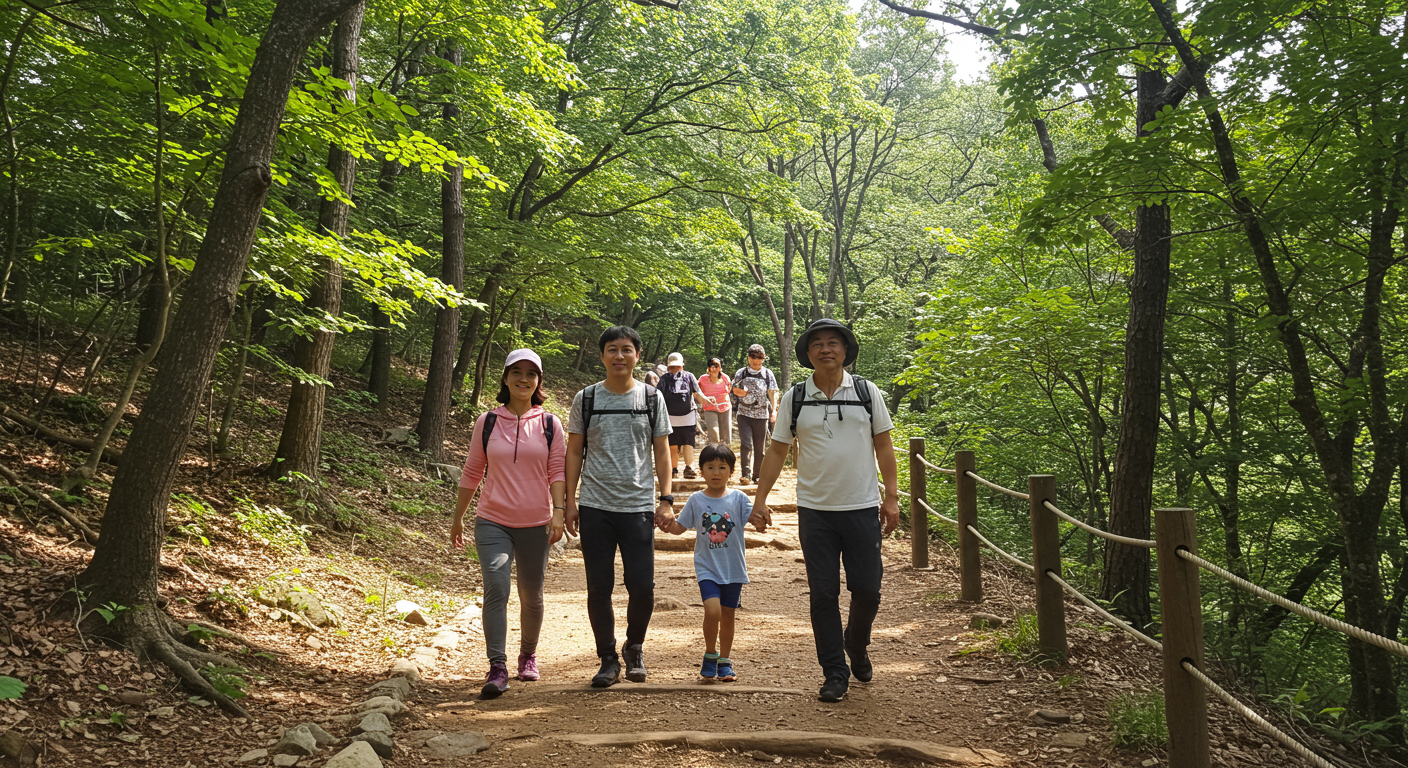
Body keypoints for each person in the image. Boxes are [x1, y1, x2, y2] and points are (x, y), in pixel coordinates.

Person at [750, 319, 899, 703]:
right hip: (815, 511)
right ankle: (834, 672)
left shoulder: (866, 392)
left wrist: (892, 497)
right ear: (808, 353)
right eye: (817, 343)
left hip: (862, 507)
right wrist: (760, 500)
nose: (826, 349)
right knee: (823, 594)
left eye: (833, 342)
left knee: (868, 590)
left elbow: (884, 446)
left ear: (845, 350)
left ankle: (856, 643)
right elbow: (777, 450)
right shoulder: (796, 397)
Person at [450, 348, 567, 699]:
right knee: (497, 587)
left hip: (536, 522)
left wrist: (558, 511)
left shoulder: (549, 424)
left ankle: (528, 655)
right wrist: (458, 518)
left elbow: (557, 471)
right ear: (505, 377)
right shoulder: (487, 422)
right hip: (493, 520)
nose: (523, 379)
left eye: (531, 373)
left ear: (538, 381)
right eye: (516, 372)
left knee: (532, 594)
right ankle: (497, 666)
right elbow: (473, 470)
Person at [564, 326, 674, 687]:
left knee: (642, 586)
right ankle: (607, 658)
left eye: (626, 349)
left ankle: (634, 647)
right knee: (599, 587)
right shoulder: (586, 398)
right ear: (602, 356)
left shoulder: (651, 398)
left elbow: (662, 451)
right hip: (595, 505)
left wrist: (666, 499)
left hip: (638, 505)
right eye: (612, 349)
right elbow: (574, 451)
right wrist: (569, 501)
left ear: (637, 355)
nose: (619, 356)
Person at [659, 443, 762, 682]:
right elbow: (680, 527)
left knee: (728, 615)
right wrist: (666, 523)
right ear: (701, 471)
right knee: (712, 610)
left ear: (731, 471)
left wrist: (762, 517)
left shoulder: (738, 498)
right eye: (710, 467)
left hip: (733, 568)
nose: (716, 472)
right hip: (707, 567)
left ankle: (724, 661)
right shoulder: (696, 500)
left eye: (722, 467)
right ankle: (710, 653)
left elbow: (754, 517)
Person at [658, 352, 716, 479]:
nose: (675, 369)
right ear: (668, 367)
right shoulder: (664, 379)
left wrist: (707, 400)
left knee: (688, 443)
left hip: (688, 416)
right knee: (672, 445)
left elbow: (697, 393)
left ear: (682, 366)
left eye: (677, 366)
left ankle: (689, 467)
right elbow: (659, 396)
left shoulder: (689, 376)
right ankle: (673, 469)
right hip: (670, 417)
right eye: (672, 367)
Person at [732, 344, 779, 484]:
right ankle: (746, 474)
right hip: (744, 413)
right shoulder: (741, 372)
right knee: (746, 444)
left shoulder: (767, 374)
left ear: (763, 359)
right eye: (753, 358)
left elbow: (773, 392)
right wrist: (741, 393)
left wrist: (774, 410)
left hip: (761, 414)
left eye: (759, 358)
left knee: (759, 447)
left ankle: (757, 475)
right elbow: (733, 389)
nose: (756, 361)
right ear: (748, 358)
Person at [698, 357, 732, 447]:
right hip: (709, 408)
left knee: (725, 437)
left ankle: (725, 452)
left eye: (716, 366)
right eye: (711, 366)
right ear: (708, 368)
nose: (714, 369)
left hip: (725, 408)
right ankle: (714, 451)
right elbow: (697, 393)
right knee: (713, 432)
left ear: (720, 367)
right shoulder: (702, 379)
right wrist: (704, 400)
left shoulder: (725, 378)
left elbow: (729, 390)